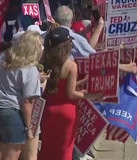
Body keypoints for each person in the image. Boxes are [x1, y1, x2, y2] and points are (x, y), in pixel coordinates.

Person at [37, 27, 102, 160]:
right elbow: (70, 94)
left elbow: (57, 86)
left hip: (48, 111)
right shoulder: (71, 65)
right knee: (65, 150)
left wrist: (81, 82)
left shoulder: (44, 62)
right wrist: (88, 95)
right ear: (67, 46)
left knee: (47, 149)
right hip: (67, 112)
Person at [0, 31, 44, 160]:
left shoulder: (1, 58)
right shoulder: (30, 68)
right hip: (11, 115)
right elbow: (27, 102)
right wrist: (29, 128)